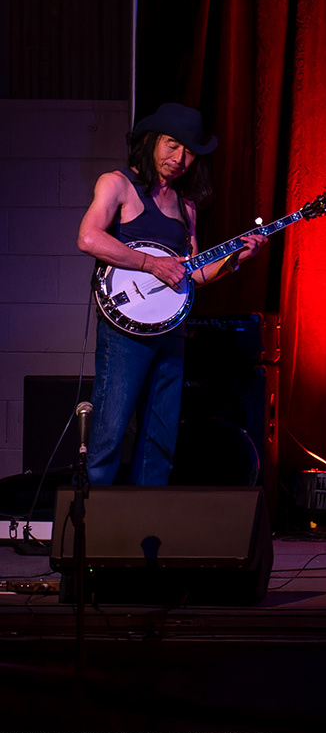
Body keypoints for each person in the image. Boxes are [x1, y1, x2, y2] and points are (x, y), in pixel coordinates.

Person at [76, 103, 264, 486]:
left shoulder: (185, 207)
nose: (179, 159)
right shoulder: (117, 184)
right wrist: (150, 264)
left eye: (189, 152)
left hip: (171, 331)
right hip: (125, 332)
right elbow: (88, 238)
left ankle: (149, 518)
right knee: (110, 430)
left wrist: (235, 259)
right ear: (151, 141)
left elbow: (195, 273)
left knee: (160, 436)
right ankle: (92, 517)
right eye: (172, 145)